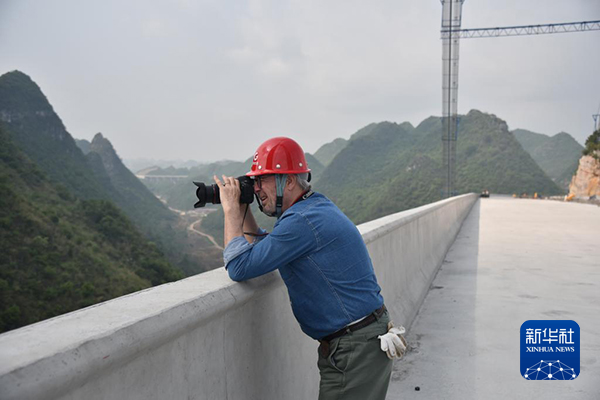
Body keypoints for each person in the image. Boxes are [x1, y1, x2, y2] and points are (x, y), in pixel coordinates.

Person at [214, 137, 405, 400]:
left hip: (355, 347)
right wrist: (242, 205)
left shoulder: (301, 221)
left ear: (289, 181)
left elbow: (238, 266)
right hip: (359, 341)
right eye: (254, 182)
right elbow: (262, 246)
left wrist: (229, 211)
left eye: (262, 180)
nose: (257, 188)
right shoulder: (311, 208)